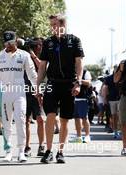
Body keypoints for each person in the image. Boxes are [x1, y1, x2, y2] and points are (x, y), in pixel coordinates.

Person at [36, 14, 84, 163]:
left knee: (64, 120)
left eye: (55, 24)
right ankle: (49, 151)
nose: (53, 28)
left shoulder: (74, 40)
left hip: (69, 83)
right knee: (50, 116)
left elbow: (79, 63)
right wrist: (38, 87)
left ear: (63, 25)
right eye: (51, 25)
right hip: (52, 83)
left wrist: (78, 82)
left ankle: (60, 152)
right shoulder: (48, 42)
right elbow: (43, 66)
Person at [0, 31, 37, 162]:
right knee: (6, 123)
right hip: (5, 92)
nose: (8, 45)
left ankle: (21, 151)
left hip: (19, 92)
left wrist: (38, 89)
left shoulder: (24, 55)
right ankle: (8, 151)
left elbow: (32, 74)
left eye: (11, 43)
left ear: (16, 41)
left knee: (20, 120)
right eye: (6, 43)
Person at [19, 37, 45, 157]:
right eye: (36, 45)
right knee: (26, 121)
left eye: (40, 45)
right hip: (25, 91)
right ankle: (27, 147)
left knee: (40, 119)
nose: (38, 47)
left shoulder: (44, 56)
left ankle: (41, 146)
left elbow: (41, 67)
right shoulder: (24, 55)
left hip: (38, 91)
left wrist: (33, 55)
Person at [73, 69, 92, 143]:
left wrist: (79, 80)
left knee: (84, 117)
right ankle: (79, 137)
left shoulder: (85, 72)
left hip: (83, 98)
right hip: (74, 99)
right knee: (76, 118)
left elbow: (88, 82)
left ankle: (87, 136)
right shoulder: (71, 71)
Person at [103, 66, 121, 139]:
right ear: (113, 70)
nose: (116, 70)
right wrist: (104, 98)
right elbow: (105, 88)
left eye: (117, 69)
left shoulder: (122, 77)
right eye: (115, 69)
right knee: (114, 116)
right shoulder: (109, 78)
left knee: (120, 116)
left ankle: (120, 131)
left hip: (120, 99)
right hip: (111, 99)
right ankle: (115, 132)